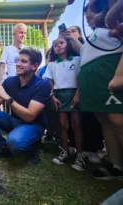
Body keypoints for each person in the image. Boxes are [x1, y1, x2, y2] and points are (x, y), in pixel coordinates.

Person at [0, 47, 51, 164]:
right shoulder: (10, 81)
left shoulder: (43, 85)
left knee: (15, 142)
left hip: (33, 125)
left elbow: (30, 116)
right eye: (18, 60)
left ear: (34, 66)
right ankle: (4, 148)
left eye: (23, 61)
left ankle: (33, 146)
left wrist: (7, 98)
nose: (18, 64)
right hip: (15, 121)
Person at [79, 1, 123, 179]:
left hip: (109, 71)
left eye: (92, 10)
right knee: (104, 119)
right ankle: (117, 165)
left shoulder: (116, 22)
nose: (89, 14)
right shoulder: (93, 34)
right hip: (92, 76)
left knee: (118, 120)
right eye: (86, 12)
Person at [43, 36, 86, 171]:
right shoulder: (52, 65)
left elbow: (80, 78)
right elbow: (50, 82)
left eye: (61, 43)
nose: (59, 46)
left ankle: (80, 155)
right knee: (63, 125)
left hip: (74, 94)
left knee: (77, 125)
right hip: (59, 95)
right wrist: (52, 96)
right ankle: (65, 151)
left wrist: (78, 94)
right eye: (56, 45)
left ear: (68, 44)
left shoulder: (78, 60)